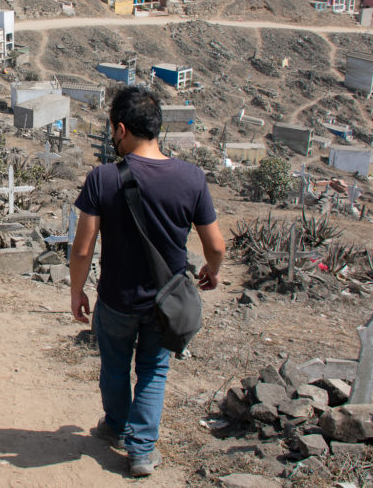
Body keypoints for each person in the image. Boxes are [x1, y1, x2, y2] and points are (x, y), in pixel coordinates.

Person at [69, 85, 226, 478]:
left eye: (110, 130)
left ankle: (116, 427)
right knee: (154, 372)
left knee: (115, 367)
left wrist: (76, 292)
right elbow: (216, 246)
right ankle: (141, 452)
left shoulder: (102, 178)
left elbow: (83, 250)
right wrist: (212, 270)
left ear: (121, 129)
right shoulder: (191, 177)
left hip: (116, 300)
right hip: (165, 303)